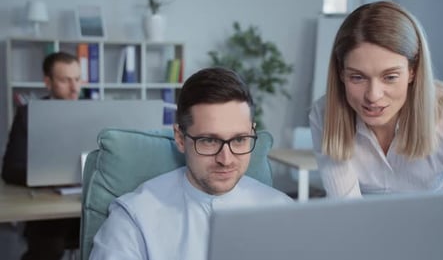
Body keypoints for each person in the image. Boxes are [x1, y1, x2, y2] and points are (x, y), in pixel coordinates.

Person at [89, 67, 293, 260]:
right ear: (179, 138)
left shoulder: (283, 211)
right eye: (209, 141)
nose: (226, 159)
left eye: (239, 140)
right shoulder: (135, 218)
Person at [309, 1, 443, 198]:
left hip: (438, 225)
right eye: (357, 77)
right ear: (341, 73)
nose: (373, 95)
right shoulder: (325, 115)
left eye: (390, 77)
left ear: (412, 71)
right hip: (363, 224)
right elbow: (347, 209)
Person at [1, 51, 82, 260]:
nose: (74, 88)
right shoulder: (28, 114)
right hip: (49, 207)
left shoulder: (94, 110)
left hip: (87, 200)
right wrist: (46, 176)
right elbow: (10, 169)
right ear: (48, 82)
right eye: (65, 80)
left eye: (77, 79)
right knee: (48, 247)